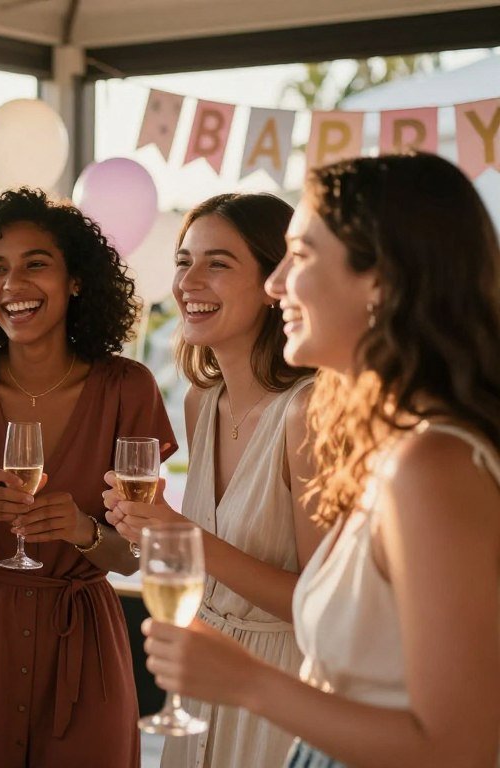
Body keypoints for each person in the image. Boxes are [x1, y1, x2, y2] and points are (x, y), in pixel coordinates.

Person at [143, 153, 500, 767]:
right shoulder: (395, 448)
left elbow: (462, 747)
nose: (276, 283)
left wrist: (248, 682)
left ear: (382, 280)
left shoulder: (433, 466)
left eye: (300, 257)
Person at [0, 187, 177, 768]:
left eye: (36, 264)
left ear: (75, 279)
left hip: (87, 650)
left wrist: (83, 531)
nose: (12, 285)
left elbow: (137, 557)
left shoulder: (128, 389)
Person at [102, 193, 321, 768]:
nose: (188, 282)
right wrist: (144, 535)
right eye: (182, 261)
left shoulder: (308, 412)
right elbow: (210, 569)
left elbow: (318, 603)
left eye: (218, 264)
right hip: (201, 675)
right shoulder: (203, 401)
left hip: (280, 686)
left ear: (277, 283)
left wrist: (182, 538)